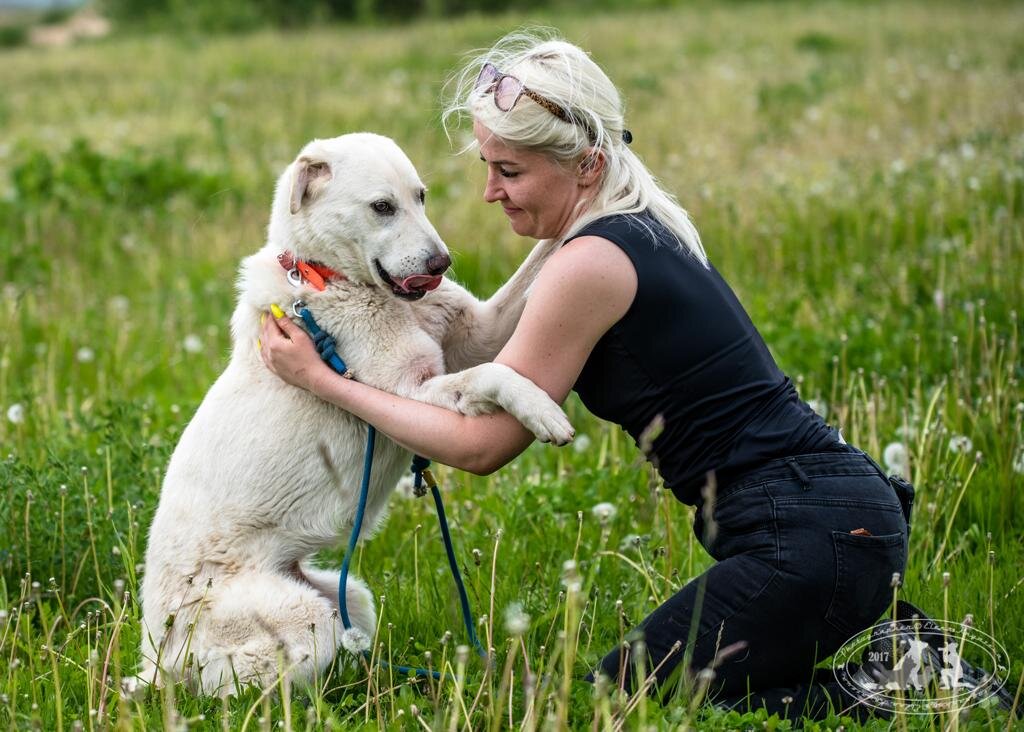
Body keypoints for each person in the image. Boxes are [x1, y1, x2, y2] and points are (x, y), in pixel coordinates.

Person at [259, 31, 912, 720]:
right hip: (829, 519)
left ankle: (909, 689)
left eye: (508, 171)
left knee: (628, 702)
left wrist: (324, 382)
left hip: (811, 534)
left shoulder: (588, 264)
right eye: (488, 166)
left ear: (587, 164)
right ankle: (900, 664)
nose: (488, 192)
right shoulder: (627, 226)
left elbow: (482, 447)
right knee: (674, 693)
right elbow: (485, 356)